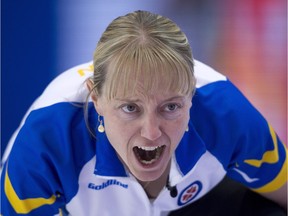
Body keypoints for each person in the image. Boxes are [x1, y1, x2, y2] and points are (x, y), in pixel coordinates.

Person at [1, 10, 287, 216]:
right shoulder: (45, 146)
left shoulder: (226, 115)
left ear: (192, 97)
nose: (151, 132)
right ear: (96, 98)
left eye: (171, 107)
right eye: (130, 108)